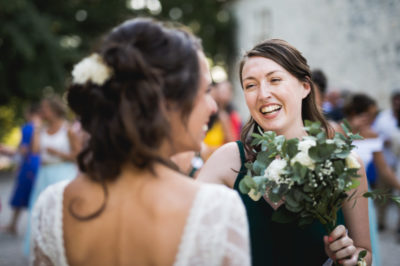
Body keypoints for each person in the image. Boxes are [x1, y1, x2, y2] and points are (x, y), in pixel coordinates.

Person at [30, 18, 250, 266]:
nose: (212, 107)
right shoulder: (216, 210)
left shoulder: (53, 207)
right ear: (165, 103)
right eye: (204, 92)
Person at [198, 39, 372, 266]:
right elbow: (180, 229)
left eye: (275, 80)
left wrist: (350, 259)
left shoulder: (346, 164)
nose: (263, 94)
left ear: (305, 87)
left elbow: (365, 254)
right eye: (250, 85)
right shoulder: (228, 160)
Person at [343, 93, 400, 266]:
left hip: (361, 199)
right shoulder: (336, 130)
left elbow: (384, 170)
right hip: (336, 199)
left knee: (362, 248)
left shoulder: (372, 135)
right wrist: (347, 132)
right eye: (368, 114)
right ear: (354, 112)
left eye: (373, 115)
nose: (371, 119)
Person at [23, 95, 80, 255]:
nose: (42, 111)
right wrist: (36, 128)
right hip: (44, 173)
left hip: (63, 173)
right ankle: (42, 251)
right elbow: (34, 151)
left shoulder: (67, 129)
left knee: (62, 213)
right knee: (40, 211)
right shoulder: (41, 129)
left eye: (45, 108)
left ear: (54, 110)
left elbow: (77, 154)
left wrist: (58, 153)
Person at [0, 104, 41, 235]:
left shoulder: (28, 128)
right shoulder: (42, 127)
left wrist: (7, 150)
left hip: (28, 163)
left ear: (30, 113)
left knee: (22, 192)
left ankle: (14, 225)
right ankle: (15, 225)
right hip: (39, 162)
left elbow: (23, 150)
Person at [373, 90, 400, 232]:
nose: (398, 103)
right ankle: (380, 222)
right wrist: (385, 141)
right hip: (385, 162)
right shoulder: (383, 118)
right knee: (382, 195)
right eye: (395, 100)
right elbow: (374, 135)